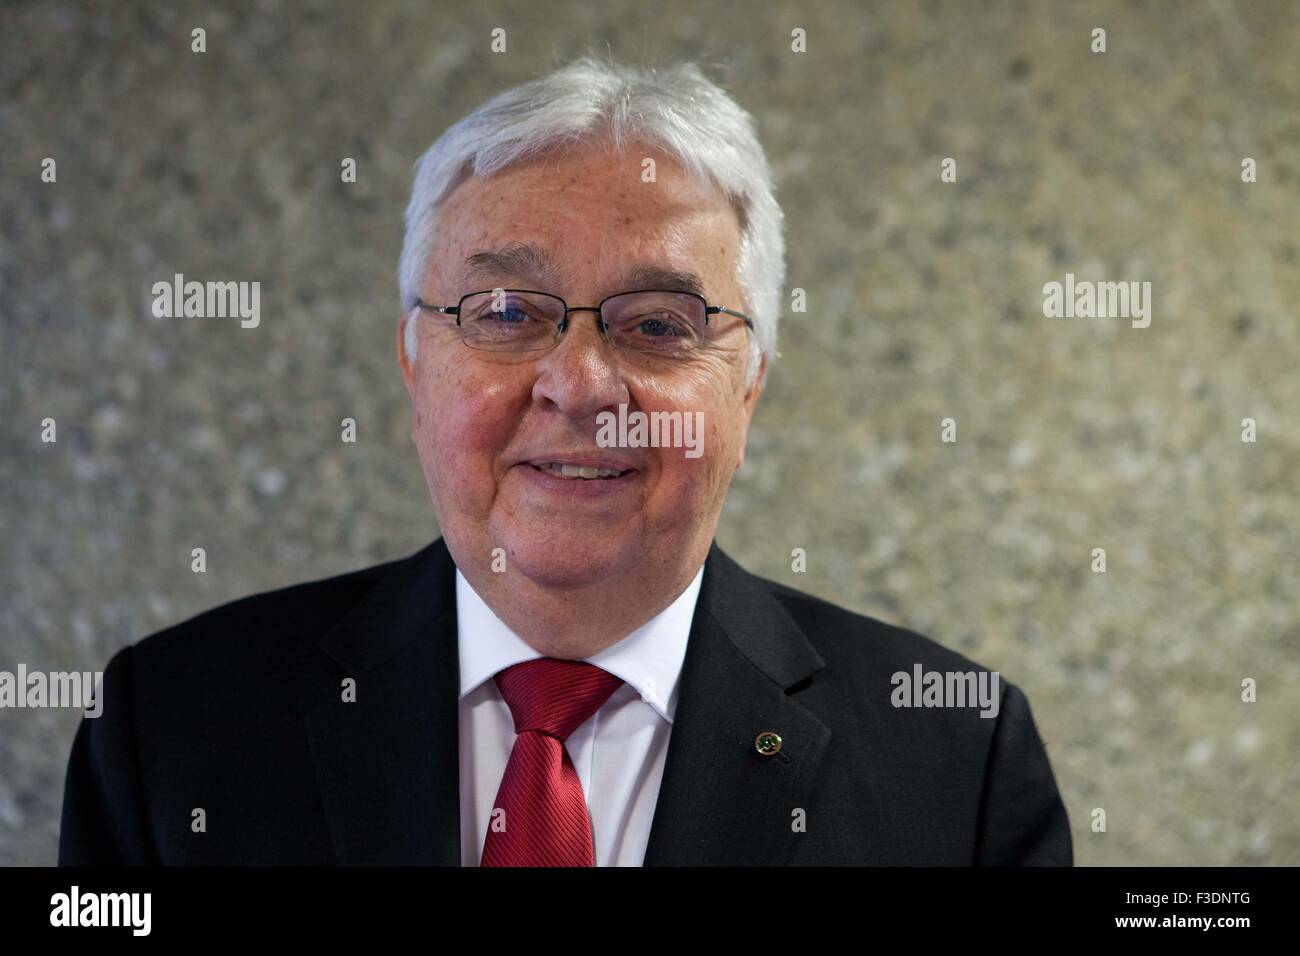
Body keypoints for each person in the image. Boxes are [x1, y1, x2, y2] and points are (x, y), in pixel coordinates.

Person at [59, 55, 1071, 866]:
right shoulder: (172, 728)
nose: (580, 384)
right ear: (413, 363)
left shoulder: (956, 762)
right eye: (504, 312)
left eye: (661, 323)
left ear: (749, 384)